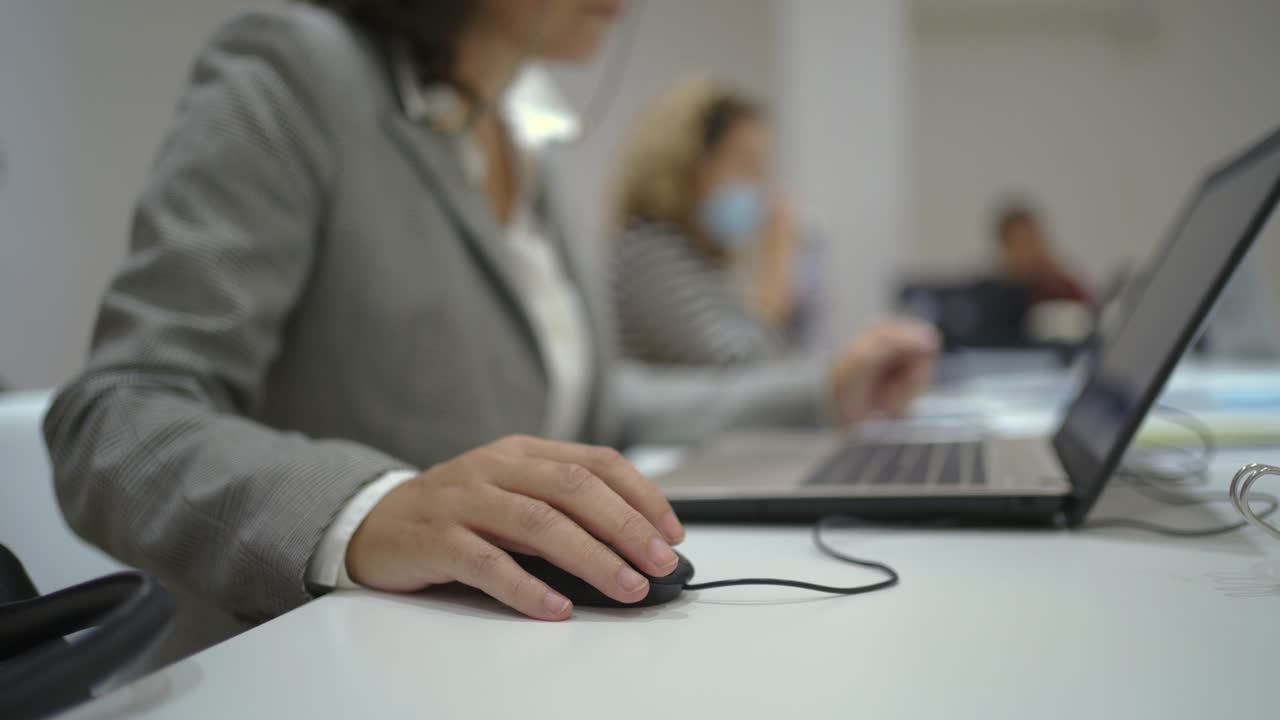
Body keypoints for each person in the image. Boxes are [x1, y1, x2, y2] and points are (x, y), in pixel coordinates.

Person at [42, 0, 938, 658]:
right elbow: (117, 417)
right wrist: (366, 509)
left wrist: (819, 391)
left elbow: (583, 400)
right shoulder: (295, 69)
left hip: (512, 658)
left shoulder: (518, 129)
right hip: (317, 665)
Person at [612, 79, 801, 366]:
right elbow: (741, 372)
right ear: (687, 166)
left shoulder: (698, 261)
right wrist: (776, 272)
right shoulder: (649, 255)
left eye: (762, 169)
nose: (761, 189)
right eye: (745, 164)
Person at [994, 202, 1092, 305]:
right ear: (1005, 247)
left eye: (1030, 241)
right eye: (1019, 243)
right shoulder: (990, 293)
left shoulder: (1056, 285)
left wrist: (1056, 279)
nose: (1026, 253)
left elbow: (1086, 308)